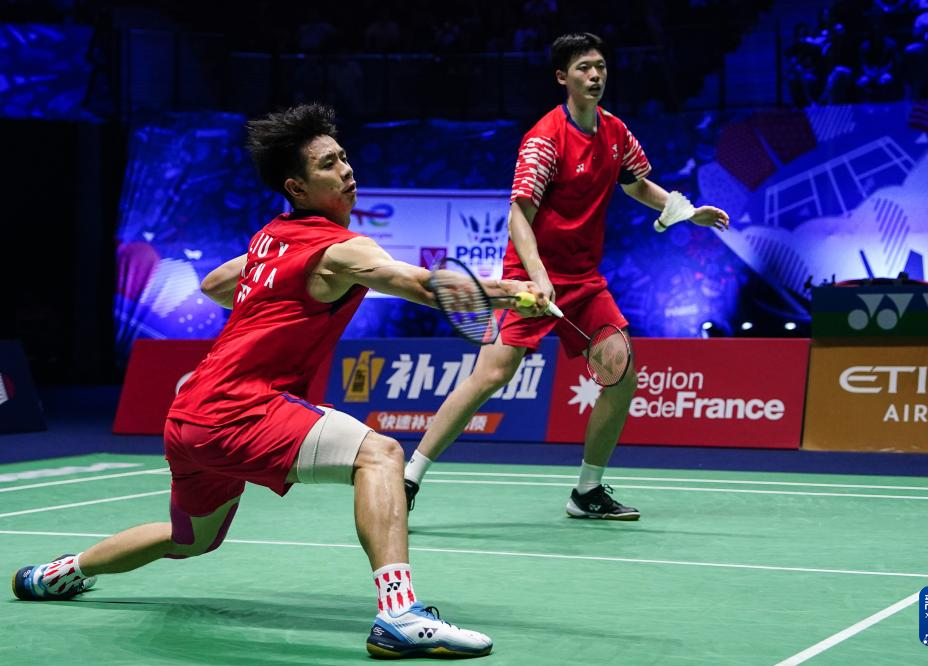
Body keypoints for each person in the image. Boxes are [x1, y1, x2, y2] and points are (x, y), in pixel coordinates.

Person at [11, 103, 545, 659]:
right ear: (297, 187)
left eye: (344, 157)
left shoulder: (272, 238)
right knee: (381, 455)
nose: (346, 169)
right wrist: (515, 293)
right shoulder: (345, 248)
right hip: (239, 408)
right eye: (328, 164)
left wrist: (269, 294)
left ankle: (57, 574)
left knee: (189, 538)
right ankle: (398, 613)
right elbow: (416, 284)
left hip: (190, 415)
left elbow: (216, 284)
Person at [403, 33, 729, 521]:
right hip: (529, 277)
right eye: (583, 68)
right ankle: (409, 477)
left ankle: (587, 491)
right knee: (492, 375)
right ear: (562, 77)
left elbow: (636, 184)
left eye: (600, 66)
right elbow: (519, 215)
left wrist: (684, 211)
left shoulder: (615, 132)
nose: (595, 75)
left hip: (583, 280)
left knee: (621, 373)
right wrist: (536, 277)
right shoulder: (544, 139)